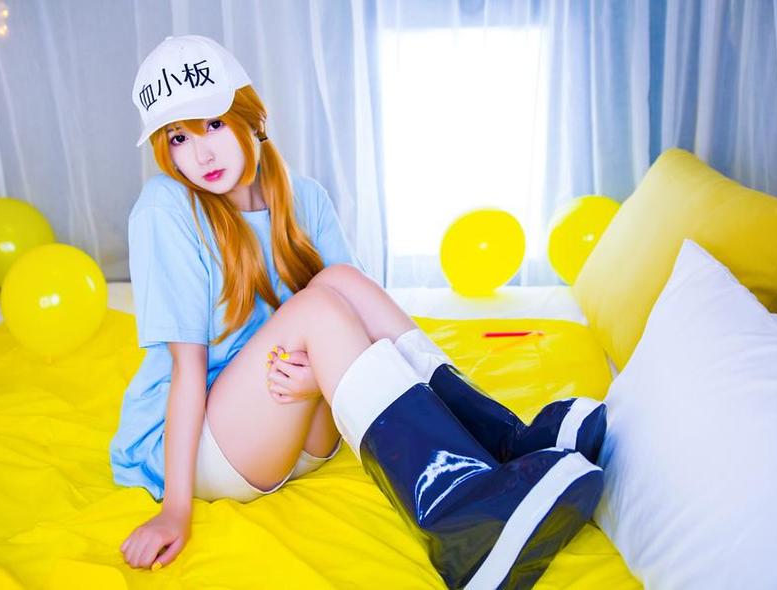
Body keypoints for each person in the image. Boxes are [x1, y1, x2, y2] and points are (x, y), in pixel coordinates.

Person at [110, 34, 608, 588]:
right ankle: (458, 518)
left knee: (341, 283)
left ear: (252, 117)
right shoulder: (166, 207)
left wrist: (317, 381)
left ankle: (501, 443)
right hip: (205, 445)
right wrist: (176, 508)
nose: (200, 154)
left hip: (298, 419)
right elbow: (187, 370)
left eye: (214, 124)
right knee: (319, 303)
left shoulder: (303, 196)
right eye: (178, 137)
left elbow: (360, 321)